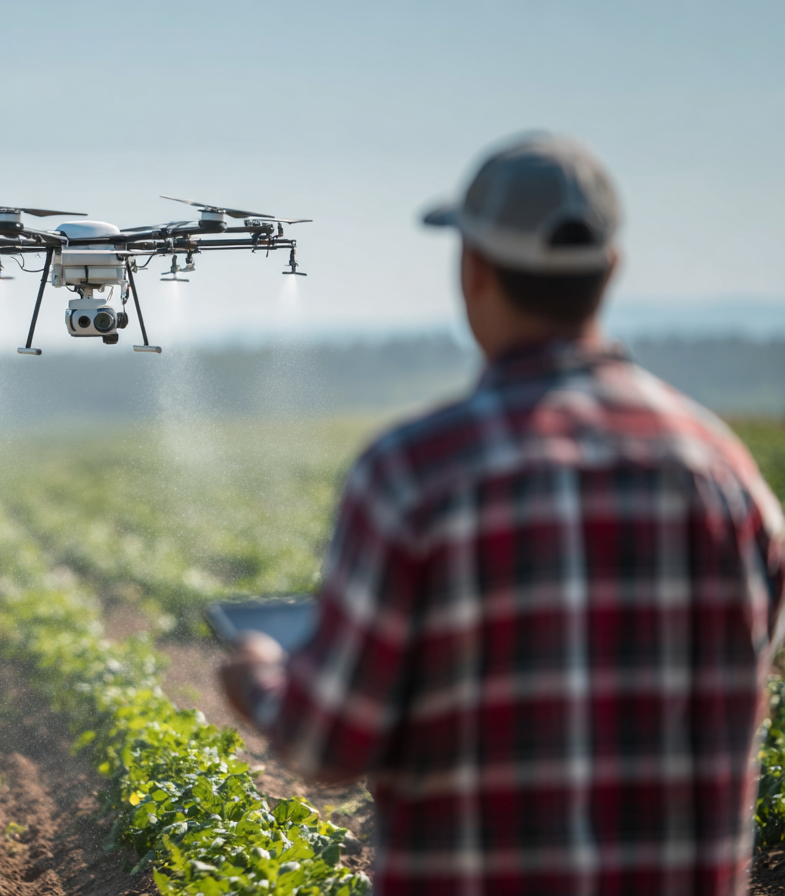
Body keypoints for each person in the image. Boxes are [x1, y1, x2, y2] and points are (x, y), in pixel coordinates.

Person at [219, 133, 785, 896]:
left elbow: (328, 743)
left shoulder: (415, 474)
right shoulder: (730, 478)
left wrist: (258, 674)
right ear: (611, 269)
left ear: (472, 267)